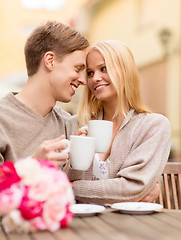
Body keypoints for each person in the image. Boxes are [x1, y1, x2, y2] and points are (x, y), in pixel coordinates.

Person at [64, 40, 171, 204]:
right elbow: (58, 179)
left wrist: (71, 188)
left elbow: (132, 187)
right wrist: (76, 157)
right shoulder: (74, 124)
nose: (95, 78)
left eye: (104, 69)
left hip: (129, 224)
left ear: (125, 71)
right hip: (82, 222)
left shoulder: (153, 126)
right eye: (90, 73)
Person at [0, 20, 89, 165]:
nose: (83, 80)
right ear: (50, 61)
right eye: (77, 69)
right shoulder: (2, 120)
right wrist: (33, 165)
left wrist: (77, 158)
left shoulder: (69, 124)